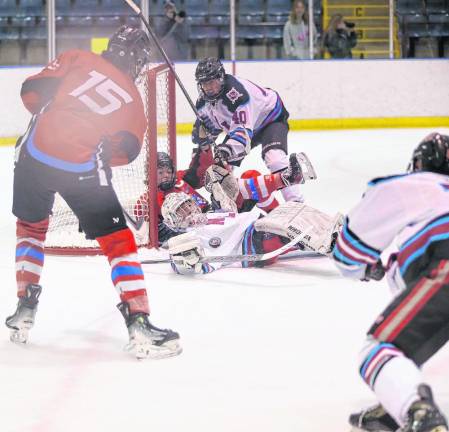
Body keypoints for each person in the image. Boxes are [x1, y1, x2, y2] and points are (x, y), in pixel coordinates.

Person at [6, 25, 181, 360]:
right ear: (138, 62)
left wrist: (55, 123)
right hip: (80, 169)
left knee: (30, 228)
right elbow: (126, 151)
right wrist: (88, 163)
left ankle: (24, 307)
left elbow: (30, 92)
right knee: (118, 242)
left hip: (31, 156)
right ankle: (139, 321)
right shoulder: (132, 97)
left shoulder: (78, 57)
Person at [331, 133, 449, 432]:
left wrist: (365, 269)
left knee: (379, 351)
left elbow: (348, 254)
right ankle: (399, 395)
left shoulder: (413, 185)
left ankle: (417, 410)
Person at [161, 160, 342, 275]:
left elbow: (231, 211)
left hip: (257, 223)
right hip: (251, 244)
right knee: (279, 227)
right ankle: (330, 244)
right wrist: (181, 262)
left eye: (188, 204)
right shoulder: (192, 235)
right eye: (182, 211)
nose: (189, 210)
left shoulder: (210, 214)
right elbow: (180, 259)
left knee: (292, 211)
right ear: (174, 222)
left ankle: (336, 230)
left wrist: (220, 192)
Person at [191, 57, 304, 203]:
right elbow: (205, 132)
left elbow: (242, 137)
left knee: (275, 158)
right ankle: (233, 204)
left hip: (269, 118)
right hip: (245, 128)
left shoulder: (237, 94)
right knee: (220, 170)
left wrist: (226, 150)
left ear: (220, 78)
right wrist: (203, 137)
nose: (208, 87)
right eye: (204, 83)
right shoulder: (203, 103)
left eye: (211, 81)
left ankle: (296, 204)